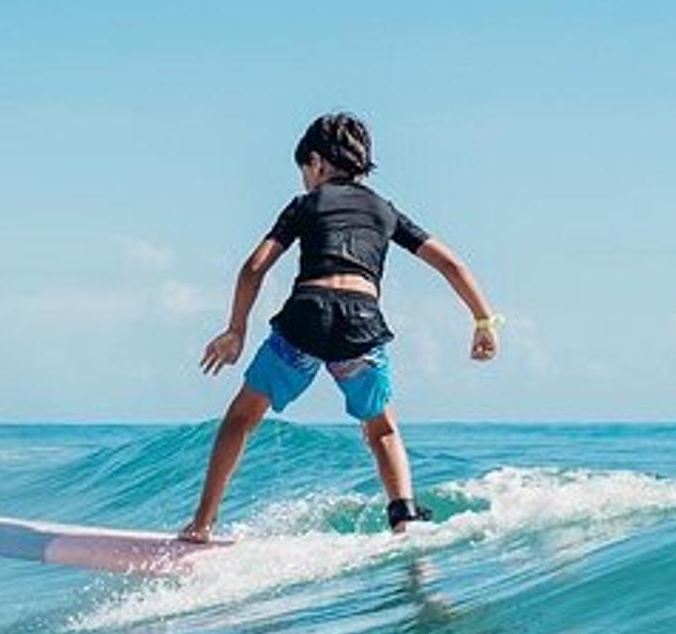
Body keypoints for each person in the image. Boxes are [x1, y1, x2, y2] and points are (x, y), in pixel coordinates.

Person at [179, 112, 499, 542]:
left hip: (307, 317)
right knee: (381, 427)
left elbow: (254, 267)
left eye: (304, 173)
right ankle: (404, 518)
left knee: (241, 418)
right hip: (361, 321)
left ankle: (202, 523)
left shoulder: (306, 205)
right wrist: (483, 321)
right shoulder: (385, 211)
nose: (304, 182)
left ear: (316, 163)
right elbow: (450, 263)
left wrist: (235, 329)